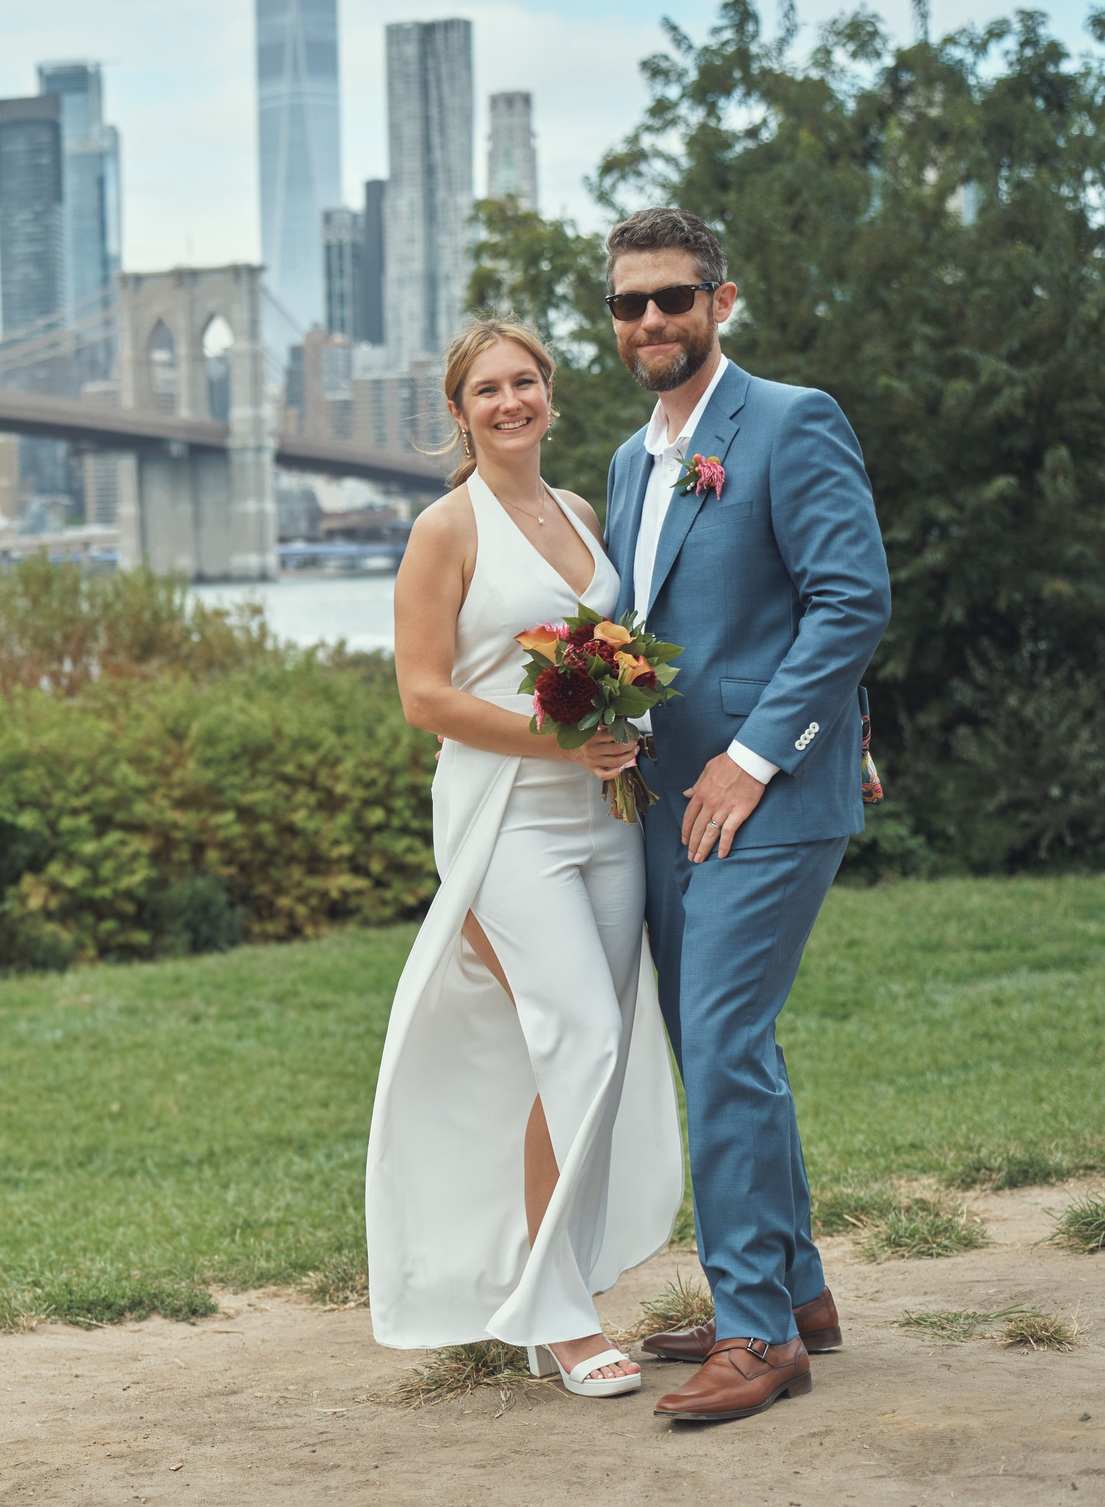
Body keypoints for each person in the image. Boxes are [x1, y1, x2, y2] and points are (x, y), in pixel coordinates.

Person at [598, 207, 890, 1421]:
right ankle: (797, 1291)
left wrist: (758, 757)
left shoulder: (788, 421)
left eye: (674, 297)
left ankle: (759, 1334)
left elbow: (849, 601)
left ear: (721, 301)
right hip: (661, 803)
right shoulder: (628, 461)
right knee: (720, 1048)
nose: (653, 320)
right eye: (630, 304)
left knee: (719, 1044)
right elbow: (649, 635)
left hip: (760, 801)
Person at [366, 318, 683, 1399]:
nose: (510, 402)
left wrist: (621, 711)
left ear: (550, 393)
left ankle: (553, 1289)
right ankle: (558, 1316)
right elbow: (424, 697)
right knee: (584, 1040)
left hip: (608, 813)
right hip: (505, 824)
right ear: (457, 415)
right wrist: (557, 732)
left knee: (592, 1050)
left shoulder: (583, 513)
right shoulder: (444, 530)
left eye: (526, 382)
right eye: (486, 390)